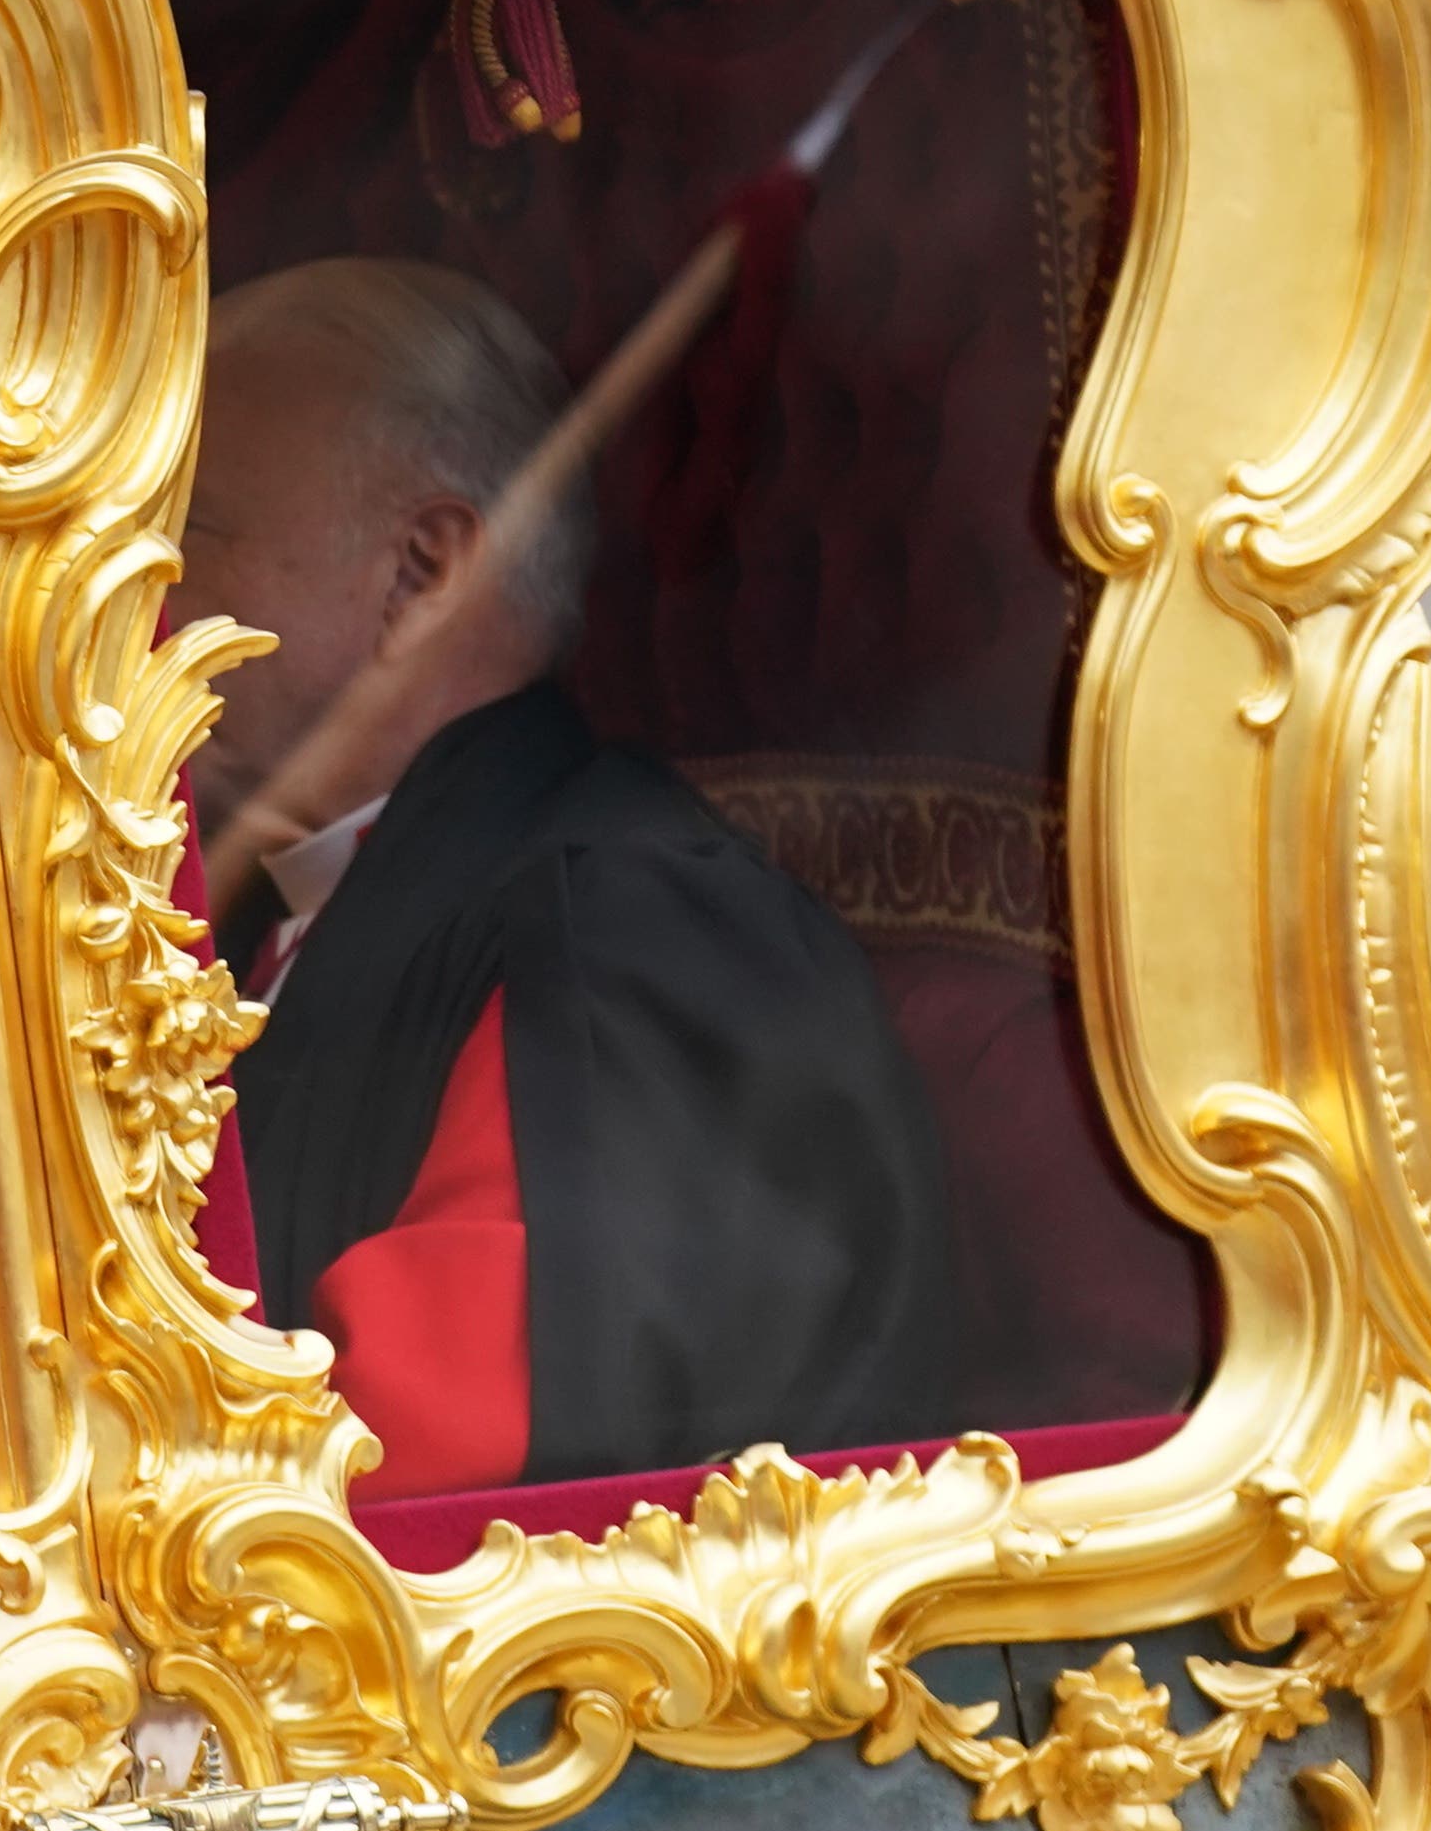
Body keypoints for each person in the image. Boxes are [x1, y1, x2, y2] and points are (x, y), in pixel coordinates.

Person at [170, 258, 957, 1493]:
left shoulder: (621, 919)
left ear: (422, 572)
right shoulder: (288, 906)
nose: (141, 594)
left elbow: (419, 1445)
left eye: (189, 529)